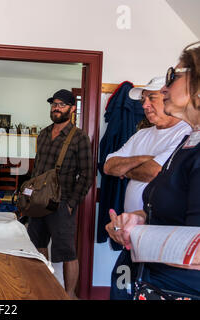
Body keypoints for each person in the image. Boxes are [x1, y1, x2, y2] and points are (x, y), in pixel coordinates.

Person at [106, 41, 200, 299]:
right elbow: (109, 165)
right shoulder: (189, 141)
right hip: (148, 276)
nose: (166, 87)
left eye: (173, 76)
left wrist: (136, 234)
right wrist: (138, 217)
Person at [27, 89, 93, 299]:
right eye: (54, 104)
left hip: (62, 203)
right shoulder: (44, 133)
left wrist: (71, 203)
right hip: (38, 203)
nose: (56, 108)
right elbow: (37, 169)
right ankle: (44, 289)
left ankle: (68, 294)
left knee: (67, 252)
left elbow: (87, 175)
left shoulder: (79, 137)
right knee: (37, 248)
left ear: (72, 109)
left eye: (61, 104)